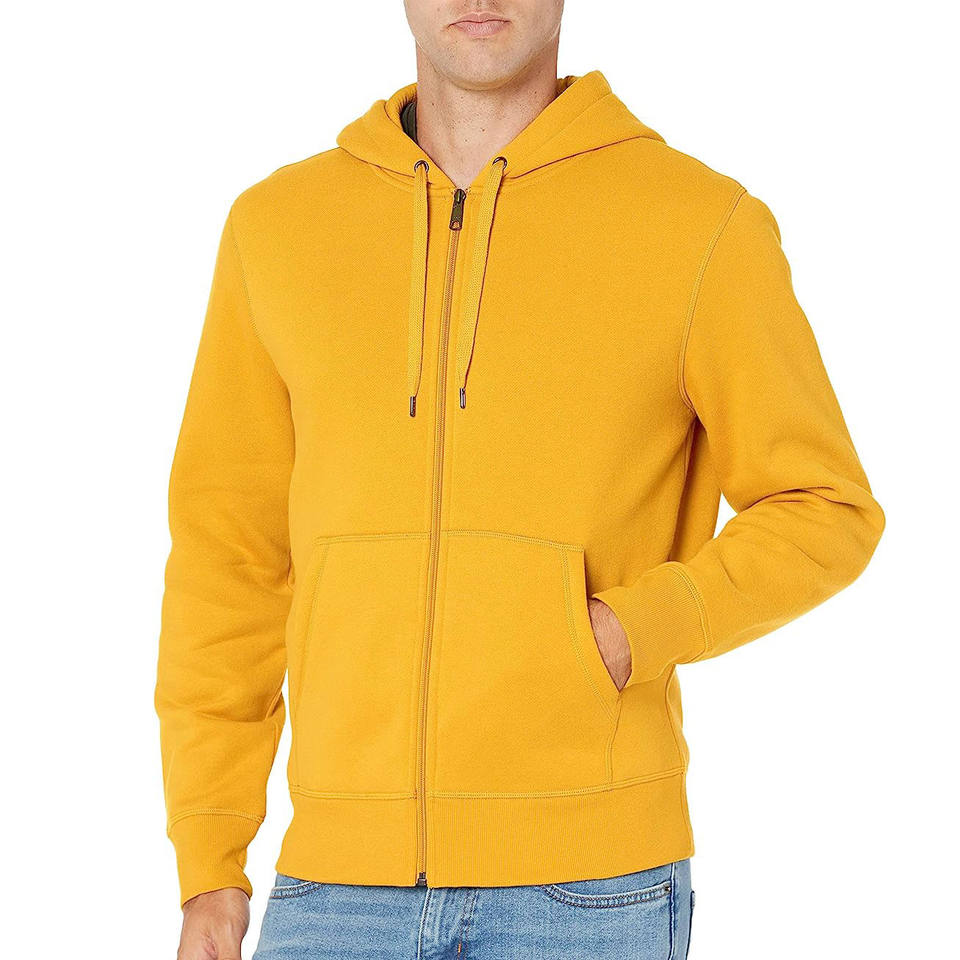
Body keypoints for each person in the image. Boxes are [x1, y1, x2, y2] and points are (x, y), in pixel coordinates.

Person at [156, 2, 885, 957]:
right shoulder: (277, 229)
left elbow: (825, 507)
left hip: (591, 892)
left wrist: (628, 631)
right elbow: (230, 559)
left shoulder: (700, 223)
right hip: (334, 892)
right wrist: (210, 859)